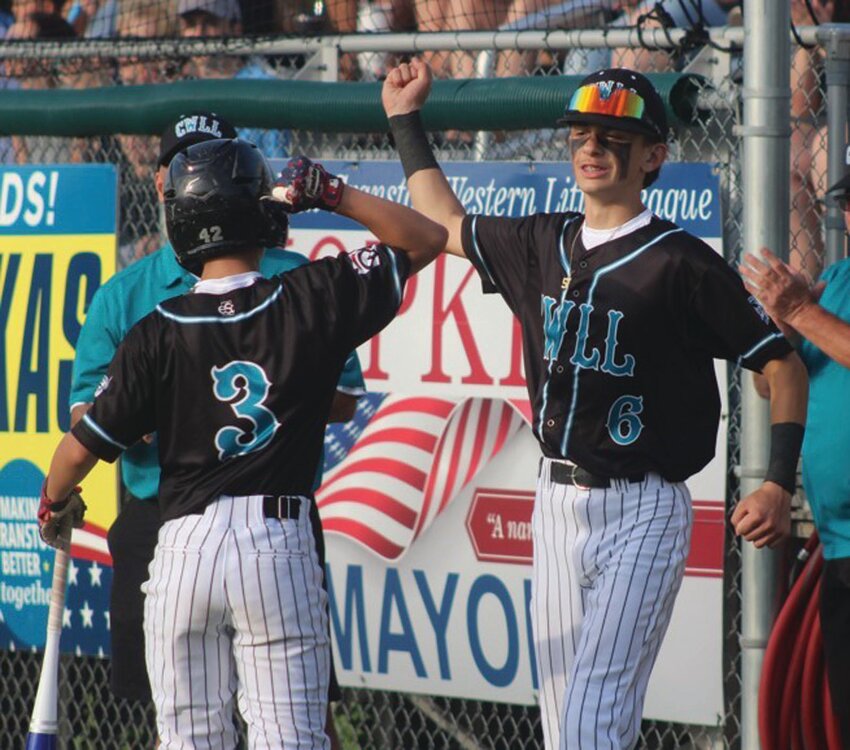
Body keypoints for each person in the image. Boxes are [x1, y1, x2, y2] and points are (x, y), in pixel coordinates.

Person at [382, 59, 809, 748]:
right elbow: (441, 221)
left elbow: (782, 367)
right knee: (568, 727)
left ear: (652, 157)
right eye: (582, 134)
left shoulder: (682, 262)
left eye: (611, 137)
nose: (591, 148)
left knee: (589, 720)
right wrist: (405, 121)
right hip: (553, 502)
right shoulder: (540, 241)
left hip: (642, 506)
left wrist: (776, 482)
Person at [40, 138, 447, 748]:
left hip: (181, 549)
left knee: (189, 740)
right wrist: (332, 194)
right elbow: (427, 237)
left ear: (180, 223)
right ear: (265, 214)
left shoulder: (155, 328)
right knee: (289, 737)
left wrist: (55, 501)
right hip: (275, 541)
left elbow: (78, 449)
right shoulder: (310, 294)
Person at [741, 172, 850, 750]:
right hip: (839, 546)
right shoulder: (834, 280)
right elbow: (771, 389)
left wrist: (802, 312)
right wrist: (783, 325)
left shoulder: (819, 297)